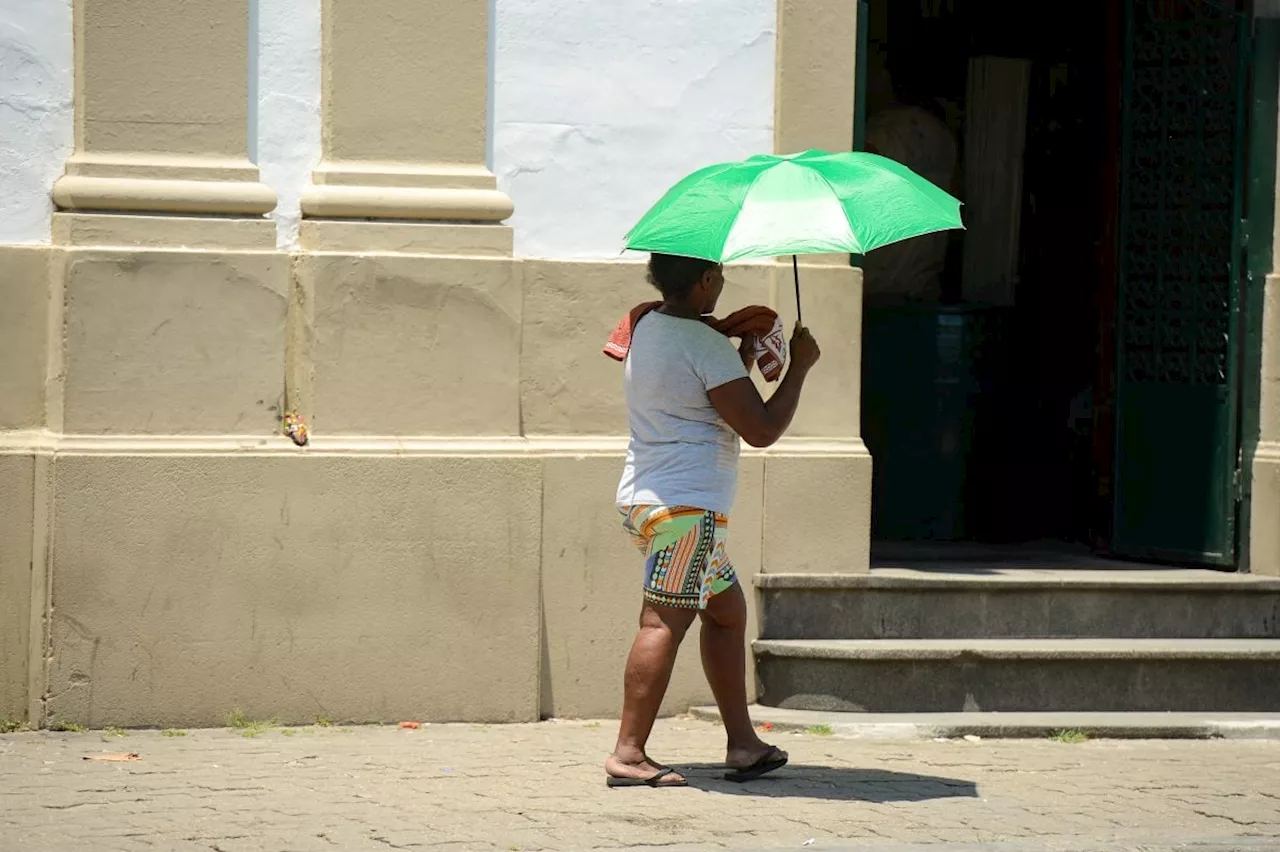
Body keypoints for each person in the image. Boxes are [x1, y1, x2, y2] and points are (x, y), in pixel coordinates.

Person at [605, 253, 822, 788]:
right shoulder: (703, 342)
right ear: (705, 280)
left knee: (725, 614)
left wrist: (741, 357)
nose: (723, 282)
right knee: (661, 623)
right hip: (687, 510)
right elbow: (761, 428)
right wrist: (800, 366)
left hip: (651, 500)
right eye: (719, 274)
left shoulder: (648, 325)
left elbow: (701, 400)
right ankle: (628, 754)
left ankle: (743, 744)